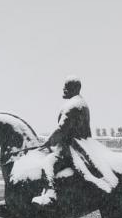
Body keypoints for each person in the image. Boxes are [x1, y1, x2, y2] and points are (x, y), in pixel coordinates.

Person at [33, 76, 98, 206]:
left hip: (72, 148)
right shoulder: (81, 103)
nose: (64, 89)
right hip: (81, 146)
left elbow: (62, 129)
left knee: (48, 163)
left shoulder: (73, 106)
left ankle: (50, 195)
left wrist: (49, 141)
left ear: (74, 88)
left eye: (66, 87)